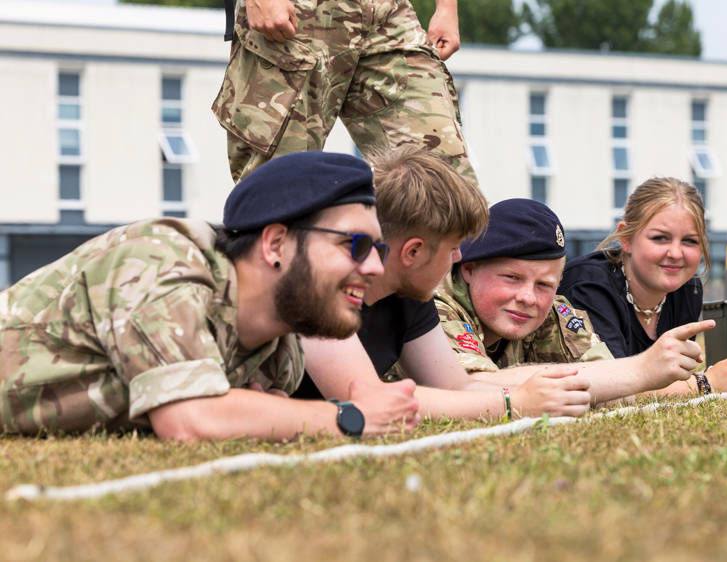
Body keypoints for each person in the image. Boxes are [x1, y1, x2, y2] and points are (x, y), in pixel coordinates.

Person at [0, 152, 419, 440]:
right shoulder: (159, 262)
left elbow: (225, 419)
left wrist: (259, 416)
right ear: (275, 245)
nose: (375, 268)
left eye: (378, 250)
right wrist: (351, 417)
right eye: (355, 245)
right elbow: (189, 420)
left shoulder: (279, 355)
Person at [298, 148, 592, 419]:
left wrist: (524, 397)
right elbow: (369, 400)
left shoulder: (408, 294)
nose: (458, 257)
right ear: (413, 252)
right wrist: (513, 403)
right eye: (452, 248)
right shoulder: (320, 287)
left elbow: (455, 387)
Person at [434, 198, 718, 404]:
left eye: (545, 284)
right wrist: (644, 370)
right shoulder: (436, 305)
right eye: (511, 277)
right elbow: (465, 385)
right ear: (469, 269)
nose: (528, 298)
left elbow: (608, 381)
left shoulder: (554, 311)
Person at [212, 0, 474, 185]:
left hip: (388, 14)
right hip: (297, 13)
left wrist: (447, 7)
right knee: (282, 193)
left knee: (445, 187)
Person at [559, 177, 727, 395]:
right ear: (627, 239)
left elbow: (667, 380)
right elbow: (606, 389)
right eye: (660, 238)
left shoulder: (688, 289)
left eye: (690, 241)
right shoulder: (588, 288)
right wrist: (708, 383)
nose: (676, 254)